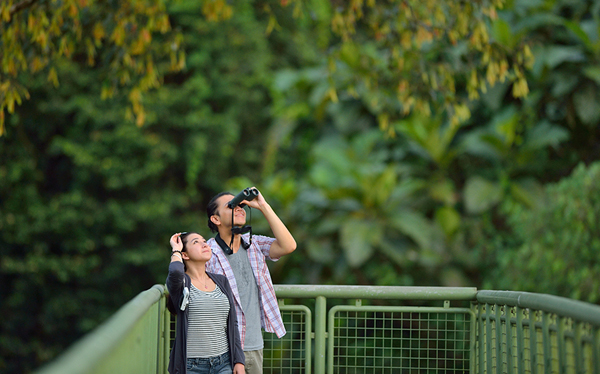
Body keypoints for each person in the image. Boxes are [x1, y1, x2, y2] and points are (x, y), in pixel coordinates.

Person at [205, 188, 297, 374]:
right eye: (231, 206)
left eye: (241, 205)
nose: (239, 209)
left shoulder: (253, 244)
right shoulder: (207, 253)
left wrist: (262, 206)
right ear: (216, 219)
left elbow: (289, 246)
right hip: (222, 348)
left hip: (254, 343)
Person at [166, 232, 245, 374]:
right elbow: (175, 272)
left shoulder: (221, 281)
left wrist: (239, 360)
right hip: (192, 366)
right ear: (185, 255)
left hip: (224, 363)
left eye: (204, 241)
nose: (204, 244)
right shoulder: (181, 283)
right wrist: (176, 249)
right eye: (196, 242)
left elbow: (232, 323)